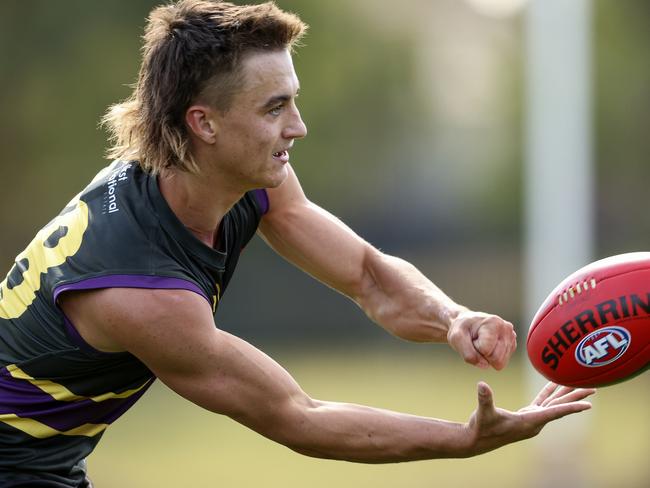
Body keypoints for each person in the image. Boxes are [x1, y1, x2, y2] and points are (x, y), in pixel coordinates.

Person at [0, 1, 594, 486]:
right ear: (203, 123)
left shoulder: (233, 177)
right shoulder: (139, 289)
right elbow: (298, 417)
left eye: (295, 100)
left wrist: (452, 317)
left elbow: (366, 274)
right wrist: (465, 440)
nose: (298, 127)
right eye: (275, 107)